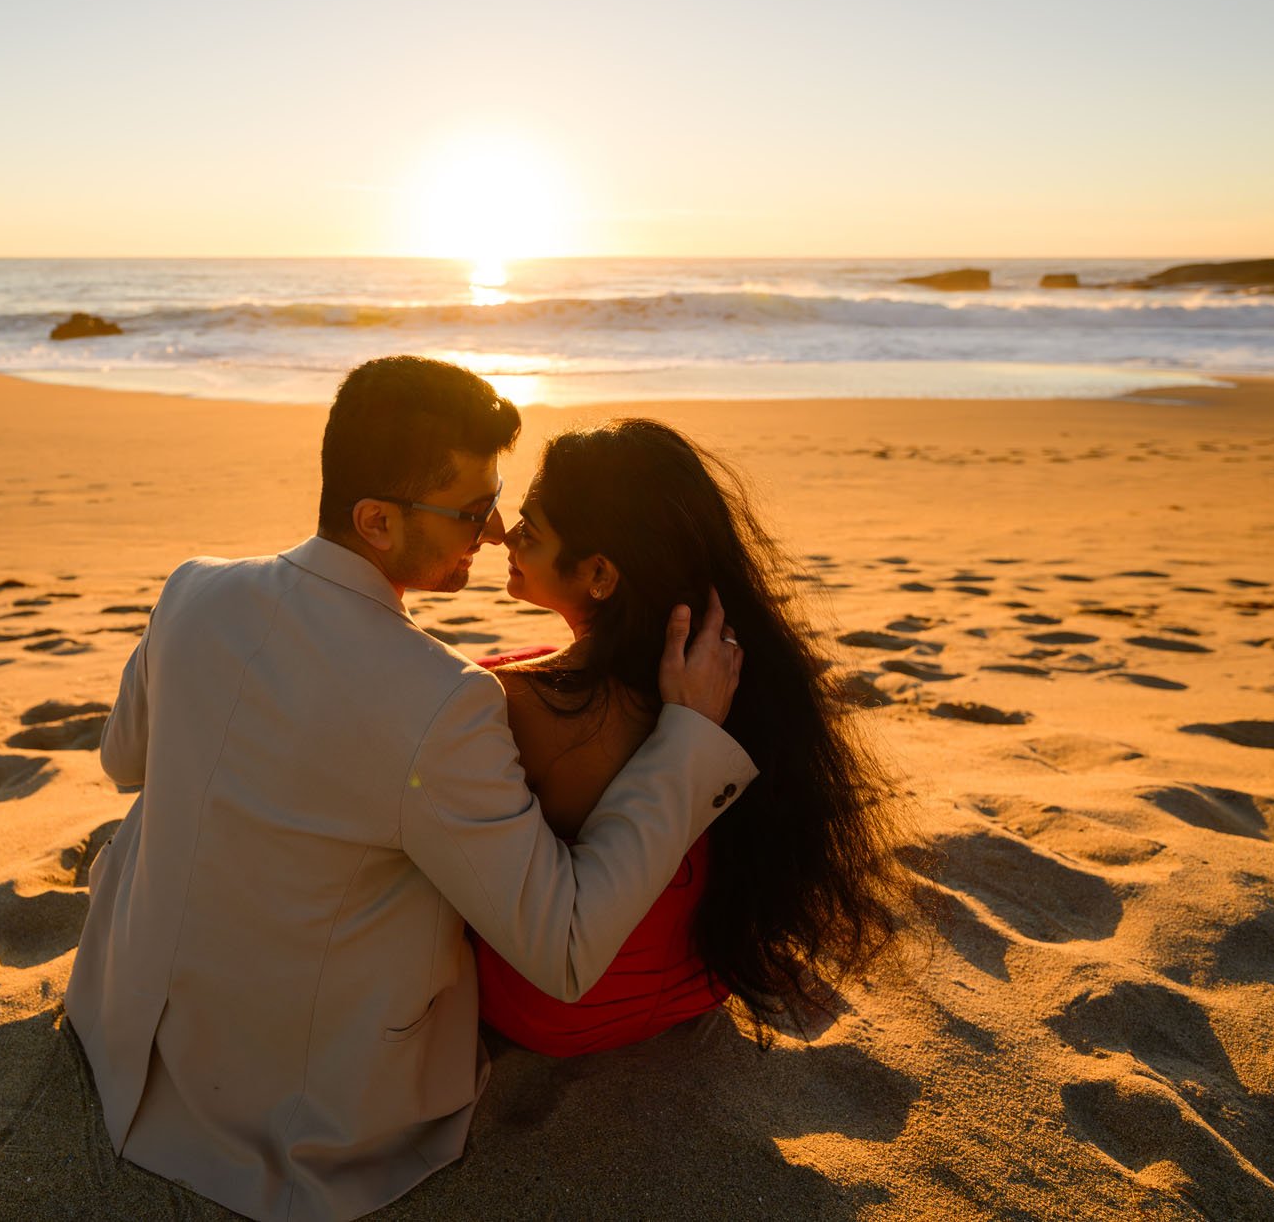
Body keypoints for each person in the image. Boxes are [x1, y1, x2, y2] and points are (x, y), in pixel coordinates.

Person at [63, 357, 755, 1222]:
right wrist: (687, 740)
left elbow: (124, 762)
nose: (497, 528)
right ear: (376, 520)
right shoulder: (448, 699)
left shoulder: (194, 588)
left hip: (117, 1023)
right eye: (470, 510)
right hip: (296, 1125)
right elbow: (567, 944)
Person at [475, 419, 911, 1055]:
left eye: (530, 531)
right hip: (700, 984)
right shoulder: (737, 678)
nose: (506, 539)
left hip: (552, 1010)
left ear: (599, 572)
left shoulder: (510, 701)